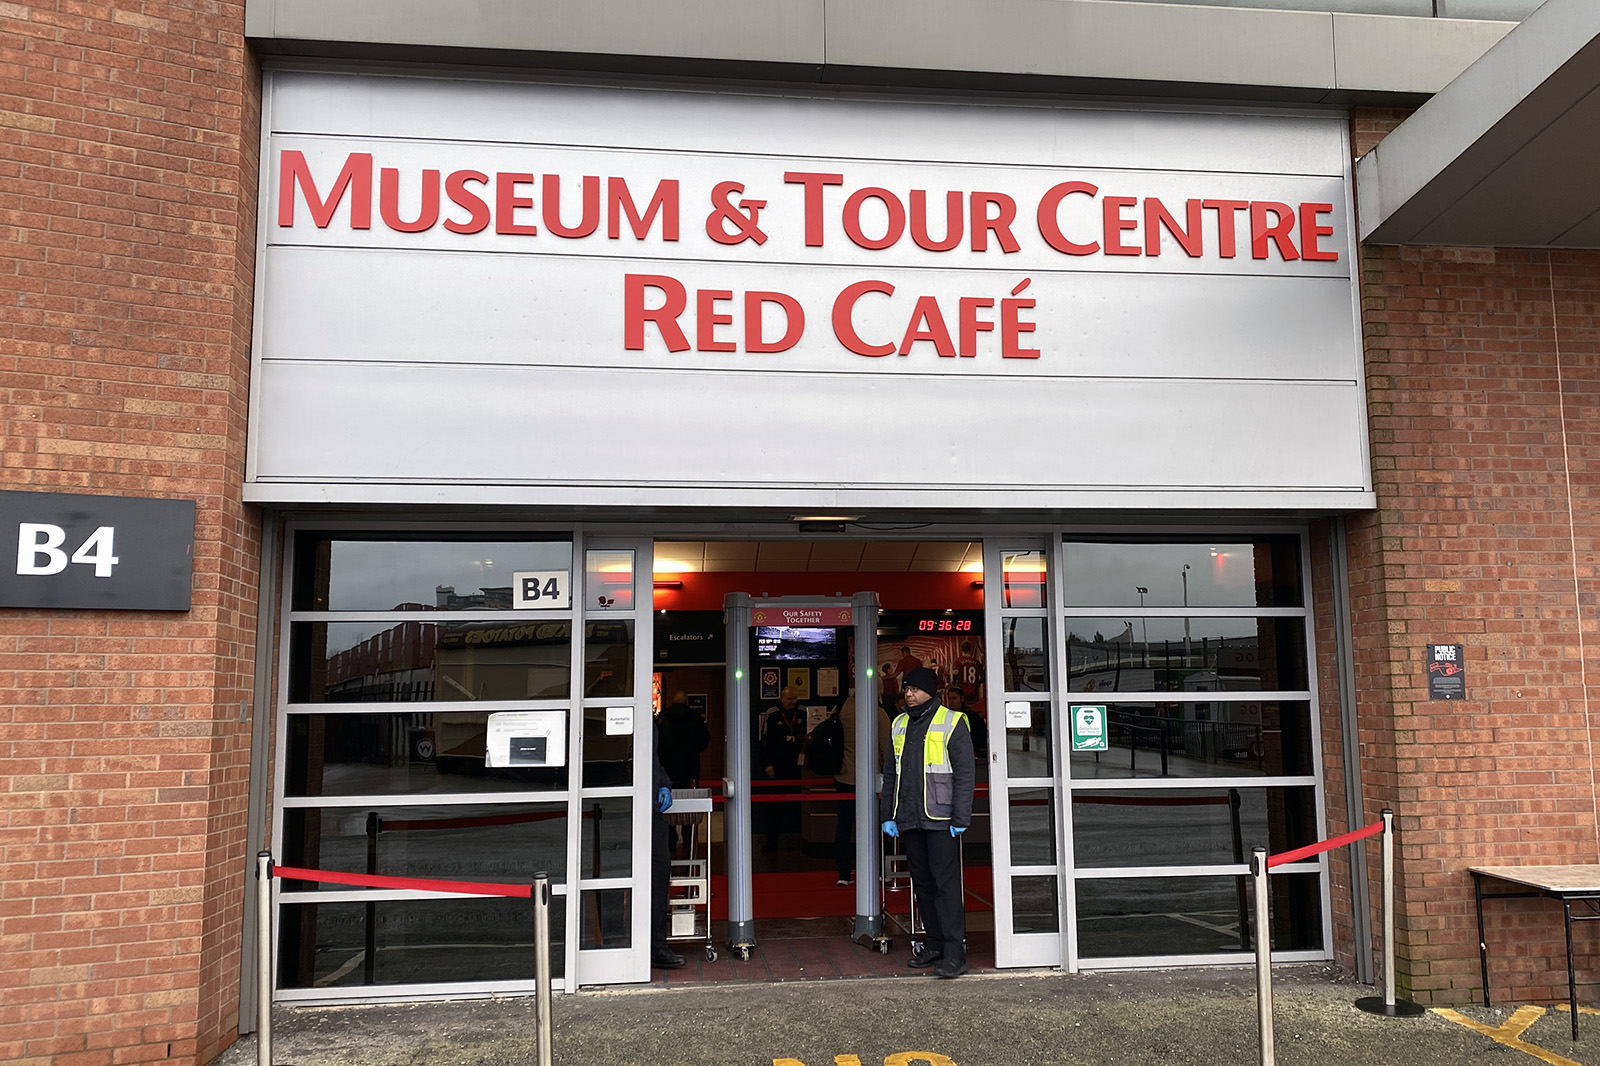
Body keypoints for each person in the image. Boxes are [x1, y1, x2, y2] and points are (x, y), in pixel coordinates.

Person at [880, 665, 975, 979]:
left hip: (941, 817)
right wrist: (888, 815)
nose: (909, 693)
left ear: (930, 691)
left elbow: (964, 774)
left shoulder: (953, 722)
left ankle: (954, 952)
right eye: (906, 688)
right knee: (922, 884)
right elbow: (892, 773)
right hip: (909, 817)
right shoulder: (899, 724)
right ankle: (933, 944)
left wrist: (960, 816)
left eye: (915, 689)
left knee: (945, 885)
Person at [833, 685, 890, 886]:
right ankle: (877, 871)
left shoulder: (840, 709)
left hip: (844, 776)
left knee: (844, 825)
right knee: (873, 827)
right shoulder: (878, 714)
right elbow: (887, 748)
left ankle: (843, 873)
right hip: (870, 779)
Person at [650, 717, 685, 969]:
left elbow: (653, 761)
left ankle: (656, 945)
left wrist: (663, 784)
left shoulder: (649, 720)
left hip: (652, 813)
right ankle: (618, 943)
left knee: (659, 873)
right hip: (620, 809)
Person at [657, 690, 710, 849]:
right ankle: (688, 840)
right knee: (690, 806)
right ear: (687, 702)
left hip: (667, 771)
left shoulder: (662, 719)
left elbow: (655, 745)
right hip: (690, 770)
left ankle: (670, 840)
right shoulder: (696, 719)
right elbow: (704, 742)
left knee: (667, 806)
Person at [759, 687, 806, 851]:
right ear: (782, 699)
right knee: (773, 808)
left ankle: (801, 843)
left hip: (796, 768)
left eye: (794, 698)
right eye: (789, 699)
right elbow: (764, 743)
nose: (792, 702)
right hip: (776, 769)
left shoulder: (803, 714)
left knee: (797, 808)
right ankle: (771, 843)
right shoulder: (772, 715)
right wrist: (767, 764)